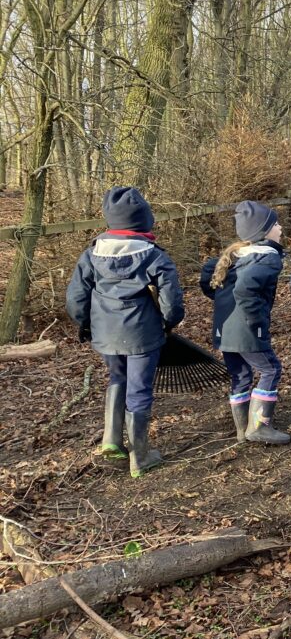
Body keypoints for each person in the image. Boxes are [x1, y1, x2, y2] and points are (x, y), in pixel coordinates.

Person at [66, 186, 184, 477]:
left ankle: (111, 440)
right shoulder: (154, 256)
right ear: (144, 221)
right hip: (143, 335)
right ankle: (140, 457)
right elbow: (172, 299)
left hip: (105, 335)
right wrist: (169, 322)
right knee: (139, 389)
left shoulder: (91, 254)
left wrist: (85, 325)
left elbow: (75, 299)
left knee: (117, 377)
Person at [200, 201, 289, 444]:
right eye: (275, 224)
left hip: (224, 330)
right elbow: (245, 289)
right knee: (271, 369)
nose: (280, 228)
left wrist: (224, 305)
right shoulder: (267, 258)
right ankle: (259, 427)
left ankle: (243, 430)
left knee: (241, 375)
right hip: (247, 330)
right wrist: (254, 320)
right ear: (263, 231)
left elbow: (209, 280)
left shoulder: (235, 256)